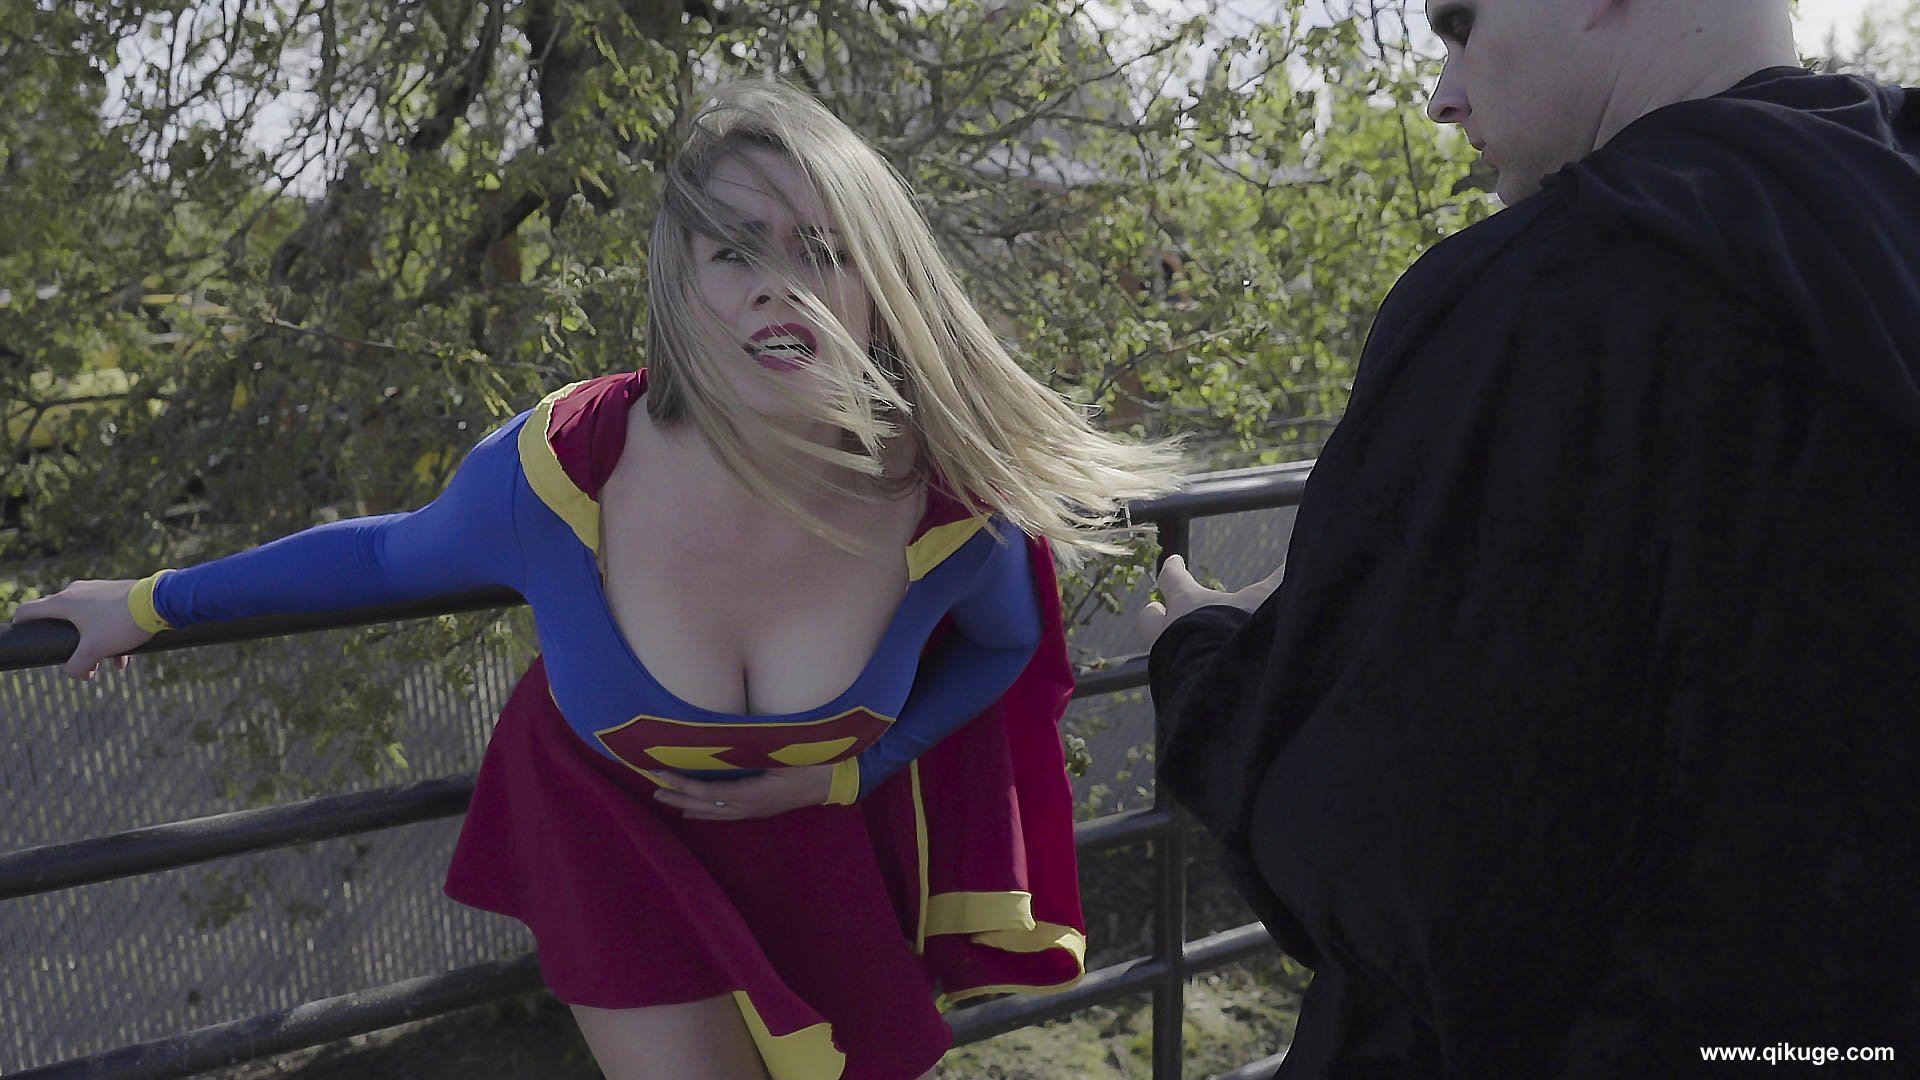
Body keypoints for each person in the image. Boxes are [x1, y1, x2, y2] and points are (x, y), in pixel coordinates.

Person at [15, 79, 1180, 1080]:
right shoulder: (557, 474)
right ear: (681, 278)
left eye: (822, 250)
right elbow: (378, 553)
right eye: (736, 249)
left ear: (880, 285)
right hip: (613, 841)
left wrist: (854, 774)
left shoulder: (954, 511)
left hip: (824, 852)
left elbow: (1005, 646)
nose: (778, 285)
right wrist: (147, 602)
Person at [1137, 1, 1920, 1076]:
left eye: (1463, 24)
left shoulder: (1531, 303)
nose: (1442, 95)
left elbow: (1398, 870)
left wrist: (1208, 664)